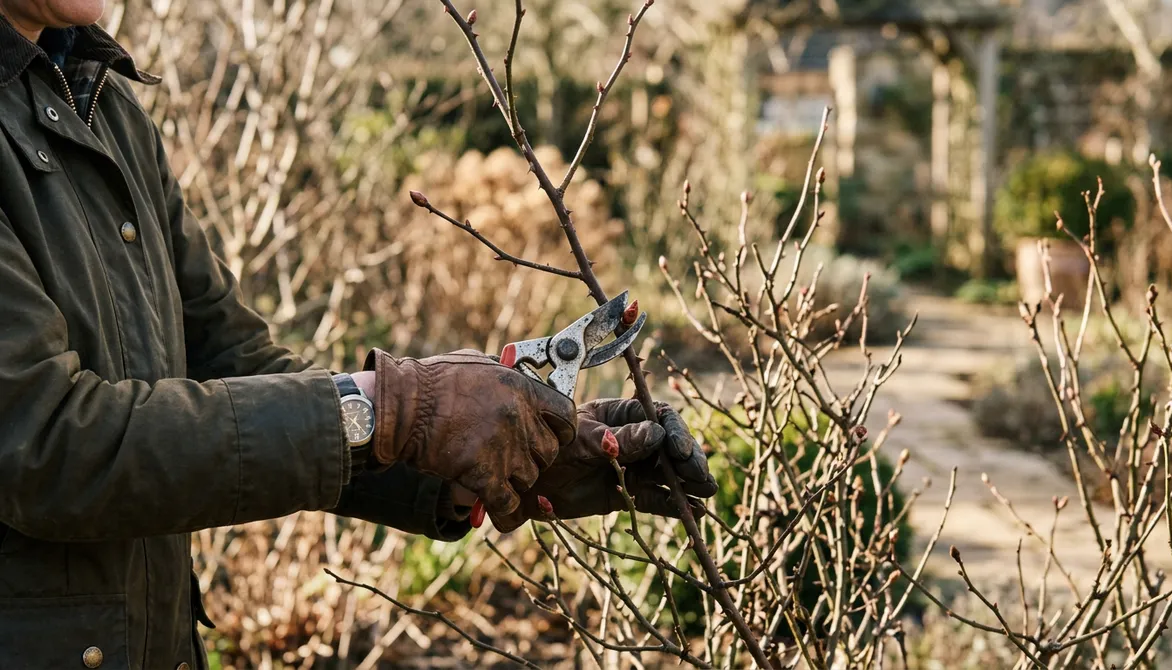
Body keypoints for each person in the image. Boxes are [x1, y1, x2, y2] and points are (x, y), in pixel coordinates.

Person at [0, 1, 719, 668]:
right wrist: (397, 408)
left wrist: (487, 452)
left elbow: (236, 361)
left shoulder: (99, 103)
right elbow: (48, 444)